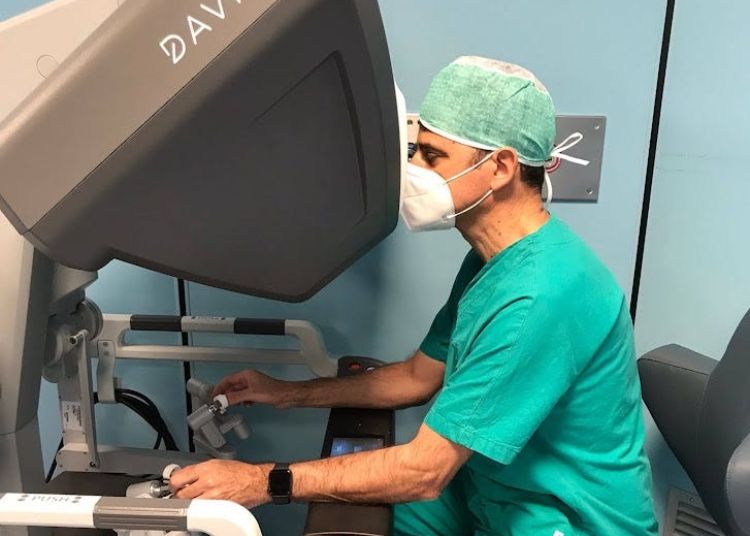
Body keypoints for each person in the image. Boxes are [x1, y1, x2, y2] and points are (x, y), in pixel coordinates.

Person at [170, 56, 658, 536]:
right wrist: (284, 393)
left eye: (431, 155)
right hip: (490, 491)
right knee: (357, 516)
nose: (413, 170)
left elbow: (425, 472)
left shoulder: (538, 296)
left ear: (501, 167)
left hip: (564, 519)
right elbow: (415, 378)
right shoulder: (493, 261)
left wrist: (262, 481)